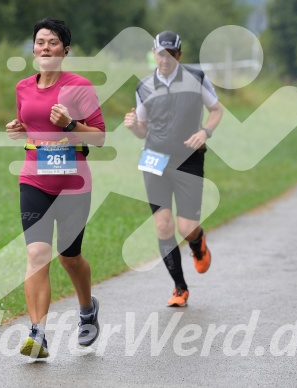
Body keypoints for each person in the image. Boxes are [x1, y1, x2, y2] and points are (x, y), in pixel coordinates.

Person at [5, 17, 105, 358]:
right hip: (33, 177)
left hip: (73, 182)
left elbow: (101, 137)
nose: (45, 48)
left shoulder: (80, 86)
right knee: (37, 254)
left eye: (52, 42)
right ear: (33, 47)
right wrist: (18, 130)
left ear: (65, 50)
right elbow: (30, 125)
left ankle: (87, 308)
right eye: (40, 42)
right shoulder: (22, 87)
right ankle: (38, 334)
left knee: (70, 257)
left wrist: (72, 124)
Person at [123, 31, 223, 307]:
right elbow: (142, 131)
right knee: (163, 225)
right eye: (160, 54)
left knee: (186, 226)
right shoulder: (144, 86)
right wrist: (133, 127)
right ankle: (180, 288)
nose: (165, 59)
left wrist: (205, 132)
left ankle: (197, 243)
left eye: (171, 54)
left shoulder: (196, 78)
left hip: (188, 159)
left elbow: (216, 110)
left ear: (179, 55)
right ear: (153, 53)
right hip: (155, 160)